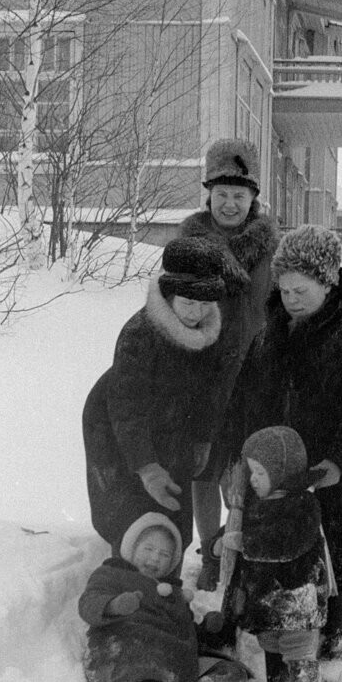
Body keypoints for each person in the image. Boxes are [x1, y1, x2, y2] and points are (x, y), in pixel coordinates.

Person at [215, 224, 342, 668]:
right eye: (284, 289)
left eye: (301, 289)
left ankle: (332, 634)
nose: (290, 298)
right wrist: (235, 454)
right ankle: (277, 637)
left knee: (337, 549)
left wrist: (338, 462)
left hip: (331, 474)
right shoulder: (269, 334)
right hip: (272, 471)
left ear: (328, 282)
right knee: (276, 550)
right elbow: (242, 400)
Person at [82, 236, 228, 557]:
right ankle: (128, 586)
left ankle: (167, 592)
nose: (196, 313)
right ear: (168, 293)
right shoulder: (139, 334)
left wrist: (203, 439)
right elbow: (127, 409)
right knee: (132, 520)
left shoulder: (209, 331)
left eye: (205, 304)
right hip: (115, 426)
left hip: (174, 426)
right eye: (188, 303)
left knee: (174, 514)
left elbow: (209, 393)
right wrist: (147, 468)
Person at [177, 138, 279, 589]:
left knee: (239, 474)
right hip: (201, 375)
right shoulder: (189, 244)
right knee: (203, 468)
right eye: (222, 194)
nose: (230, 204)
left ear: (254, 198)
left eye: (240, 195)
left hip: (253, 377)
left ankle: (235, 552)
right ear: (209, 195)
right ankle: (210, 554)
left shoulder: (271, 249)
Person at [78, 513, 250, 682]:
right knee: (144, 675)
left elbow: (185, 633)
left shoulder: (174, 594)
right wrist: (115, 605)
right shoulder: (112, 573)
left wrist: (208, 629)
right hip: (127, 645)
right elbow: (89, 603)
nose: (154, 558)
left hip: (169, 656)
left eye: (164, 554)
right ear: (132, 547)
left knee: (232, 672)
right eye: (148, 549)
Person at [221, 426, 330, 682]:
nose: (253, 480)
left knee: (297, 645)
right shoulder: (256, 503)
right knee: (270, 639)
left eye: (260, 472)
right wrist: (216, 544)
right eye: (252, 472)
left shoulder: (303, 505)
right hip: (267, 596)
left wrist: (245, 542)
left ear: (282, 470)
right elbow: (238, 532)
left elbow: (285, 543)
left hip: (298, 594)